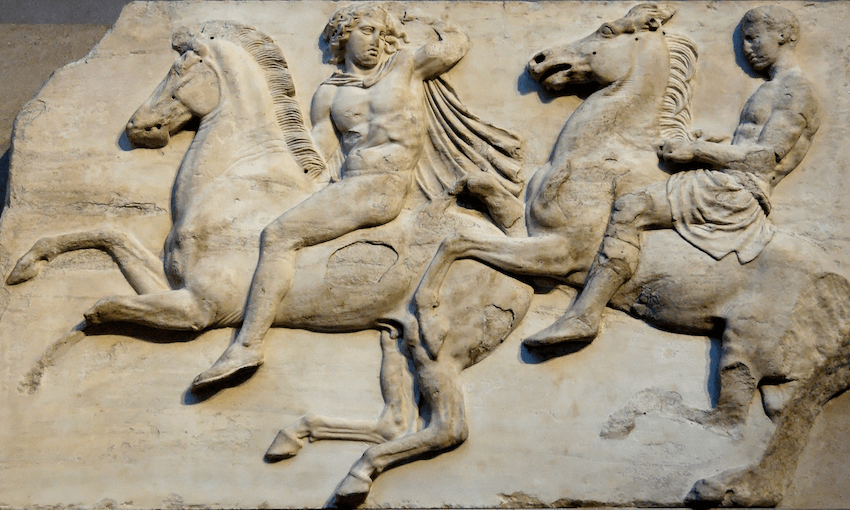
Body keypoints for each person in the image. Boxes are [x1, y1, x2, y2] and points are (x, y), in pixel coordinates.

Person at [191, 3, 470, 389]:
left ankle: (248, 346)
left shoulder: (403, 66)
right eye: (366, 31)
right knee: (279, 225)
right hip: (350, 185)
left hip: (382, 186)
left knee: (278, 236)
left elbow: (454, 46)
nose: (376, 42)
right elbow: (319, 156)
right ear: (344, 37)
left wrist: (419, 19)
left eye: (381, 34)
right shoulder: (329, 93)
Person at [525, 5, 820, 347]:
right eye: (744, 41)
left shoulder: (795, 90)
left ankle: (585, 315)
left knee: (632, 205)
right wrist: (713, 143)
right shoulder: (773, 88)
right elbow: (747, 145)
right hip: (724, 178)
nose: (748, 49)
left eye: (754, 39)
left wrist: (696, 153)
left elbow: (766, 158)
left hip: (739, 191)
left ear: (783, 36)